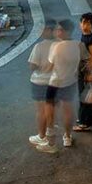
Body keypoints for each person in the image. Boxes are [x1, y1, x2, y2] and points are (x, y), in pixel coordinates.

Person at [39, 19, 83, 151]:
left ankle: (50, 131)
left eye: (60, 30)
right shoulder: (79, 45)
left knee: (49, 104)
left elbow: (50, 64)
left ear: (67, 31)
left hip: (55, 81)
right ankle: (67, 137)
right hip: (70, 82)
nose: (57, 32)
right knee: (68, 109)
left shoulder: (55, 46)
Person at [27, 19, 57, 149]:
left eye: (43, 29)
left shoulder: (39, 47)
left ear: (49, 31)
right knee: (50, 109)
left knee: (41, 111)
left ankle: (42, 136)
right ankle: (50, 132)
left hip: (40, 82)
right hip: (54, 82)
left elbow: (32, 66)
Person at [74, 13, 92, 132]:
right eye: (83, 22)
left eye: (88, 23)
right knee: (88, 95)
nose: (85, 25)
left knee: (84, 97)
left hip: (88, 72)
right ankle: (89, 118)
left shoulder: (91, 38)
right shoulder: (84, 36)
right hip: (83, 70)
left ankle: (85, 123)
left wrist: (90, 74)